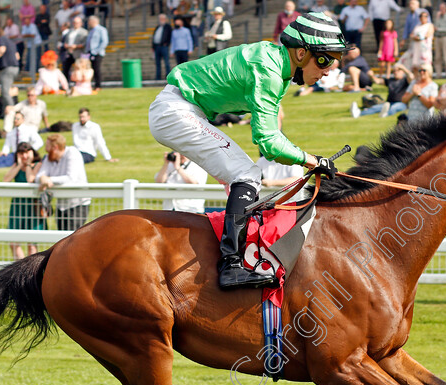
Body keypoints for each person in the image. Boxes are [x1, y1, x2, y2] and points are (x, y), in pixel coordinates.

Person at [149, 11, 349, 289]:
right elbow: (268, 141)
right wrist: (311, 160)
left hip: (181, 109)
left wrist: (308, 160)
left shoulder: (275, 66)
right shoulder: (268, 71)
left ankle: (239, 252)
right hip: (176, 111)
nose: (329, 70)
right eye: (325, 60)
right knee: (246, 173)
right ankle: (232, 264)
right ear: (301, 53)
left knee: (243, 174)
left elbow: (270, 139)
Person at [36, 134, 90, 231]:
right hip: (61, 206)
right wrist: (43, 179)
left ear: (55, 147)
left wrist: (49, 180)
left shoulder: (72, 153)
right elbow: (40, 176)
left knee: (72, 239)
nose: (45, 149)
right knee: (62, 240)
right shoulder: (49, 158)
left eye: (47, 147)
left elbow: (71, 178)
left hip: (78, 204)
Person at [4, 142, 45, 259]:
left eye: (27, 152)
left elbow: (30, 179)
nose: (24, 155)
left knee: (31, 244)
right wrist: (18, 165)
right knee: (13, 242)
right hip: (17, 206)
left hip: (32, 207)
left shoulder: (37, 165)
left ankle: (31, 273)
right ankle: (20, 270)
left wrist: (27, 165)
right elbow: (6, 180)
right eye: (21, 153)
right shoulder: (16, 166)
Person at [0, 28, 19, 112]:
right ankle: (4, 112)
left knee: (5, 92)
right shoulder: (11, 42)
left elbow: (2, 49)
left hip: (7, 68)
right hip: (15, 68)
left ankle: (12, 111)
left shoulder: (1, 39)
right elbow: (17, 56)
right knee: (8, 90)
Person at [85, 15, 108, 92]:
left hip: (97, 53)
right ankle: (90, 85)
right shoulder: (91, 30)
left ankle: (98, 85)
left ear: (93, 21)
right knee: (90, 69)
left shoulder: (101, 30)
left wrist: (96, 51)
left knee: (96, 69)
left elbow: (104, 42)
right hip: (90, 53)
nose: (88, 23)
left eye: (89, 21)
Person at [433, 3, 446, 76]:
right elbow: (434, 27)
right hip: (438, 38)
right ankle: (438, 74)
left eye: (442, 8)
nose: (441, 10)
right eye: (440, 8)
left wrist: (439, 29)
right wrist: (437, 18)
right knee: (437, 57)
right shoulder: (438, 17)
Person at [152, 13, 173, 80]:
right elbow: (154, 37)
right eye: (160, 19)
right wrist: (153, 46)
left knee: (166, 63)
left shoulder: (168, 27)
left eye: (162, 19)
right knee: (157, 63)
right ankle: (158, 77)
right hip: (157, 47)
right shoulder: (157, 27)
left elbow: (170, 36)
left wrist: (167, 43)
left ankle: (168, 77)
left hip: (164, 46)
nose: (161, 20)